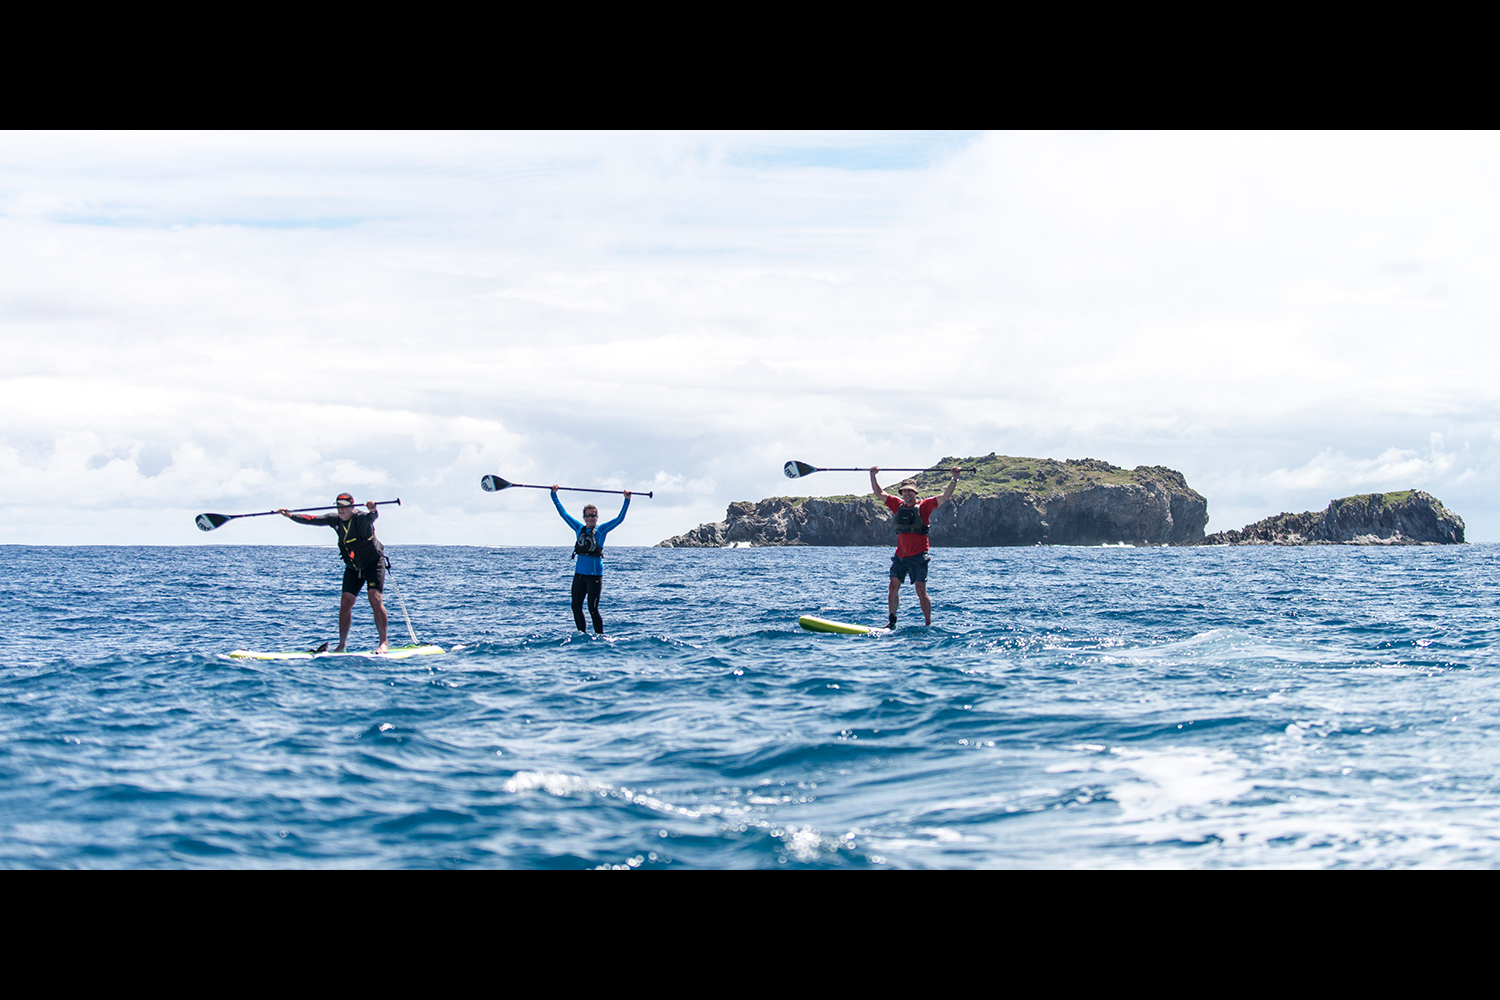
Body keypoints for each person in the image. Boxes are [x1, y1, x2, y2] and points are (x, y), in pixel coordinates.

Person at [279, 494, 388, 653]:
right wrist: (290, 515)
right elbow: (311, 519)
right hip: (353, 567)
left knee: (374, 598)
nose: (341, 510)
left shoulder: (360, 518)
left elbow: (372, 517)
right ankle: (342, 644)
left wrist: (372, 511)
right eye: (338, 506)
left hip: (373, 564)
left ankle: (383, 643)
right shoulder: (334, 519)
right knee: (345, 603)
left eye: (344, 506)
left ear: (352, 507)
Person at [870, 466, 962, 628]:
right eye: (904, 491)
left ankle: (928, 623)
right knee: (893, 587)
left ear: (915, 492)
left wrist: (954, 478)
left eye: (910, 491)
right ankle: (892, 621)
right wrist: (873, 476)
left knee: (920, 590)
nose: (906, 494)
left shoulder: (925, 506)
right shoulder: (897, 505)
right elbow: (880, 493)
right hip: (900, 556)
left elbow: (945, 496)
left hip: (919, 556)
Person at [552, 487, 630, 634]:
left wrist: (627, 500)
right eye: (587, 516)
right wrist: (554, 494)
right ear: (584, 517)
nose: (590, 518)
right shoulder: (578, 528)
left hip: (594, 576)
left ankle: (600, 637)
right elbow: (563, 514)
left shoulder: (601, 530)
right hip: (579, 575)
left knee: (592, 609)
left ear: (597, 517)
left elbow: (619, 519)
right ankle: (582, 635)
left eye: (592, 516)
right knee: (575, 607)